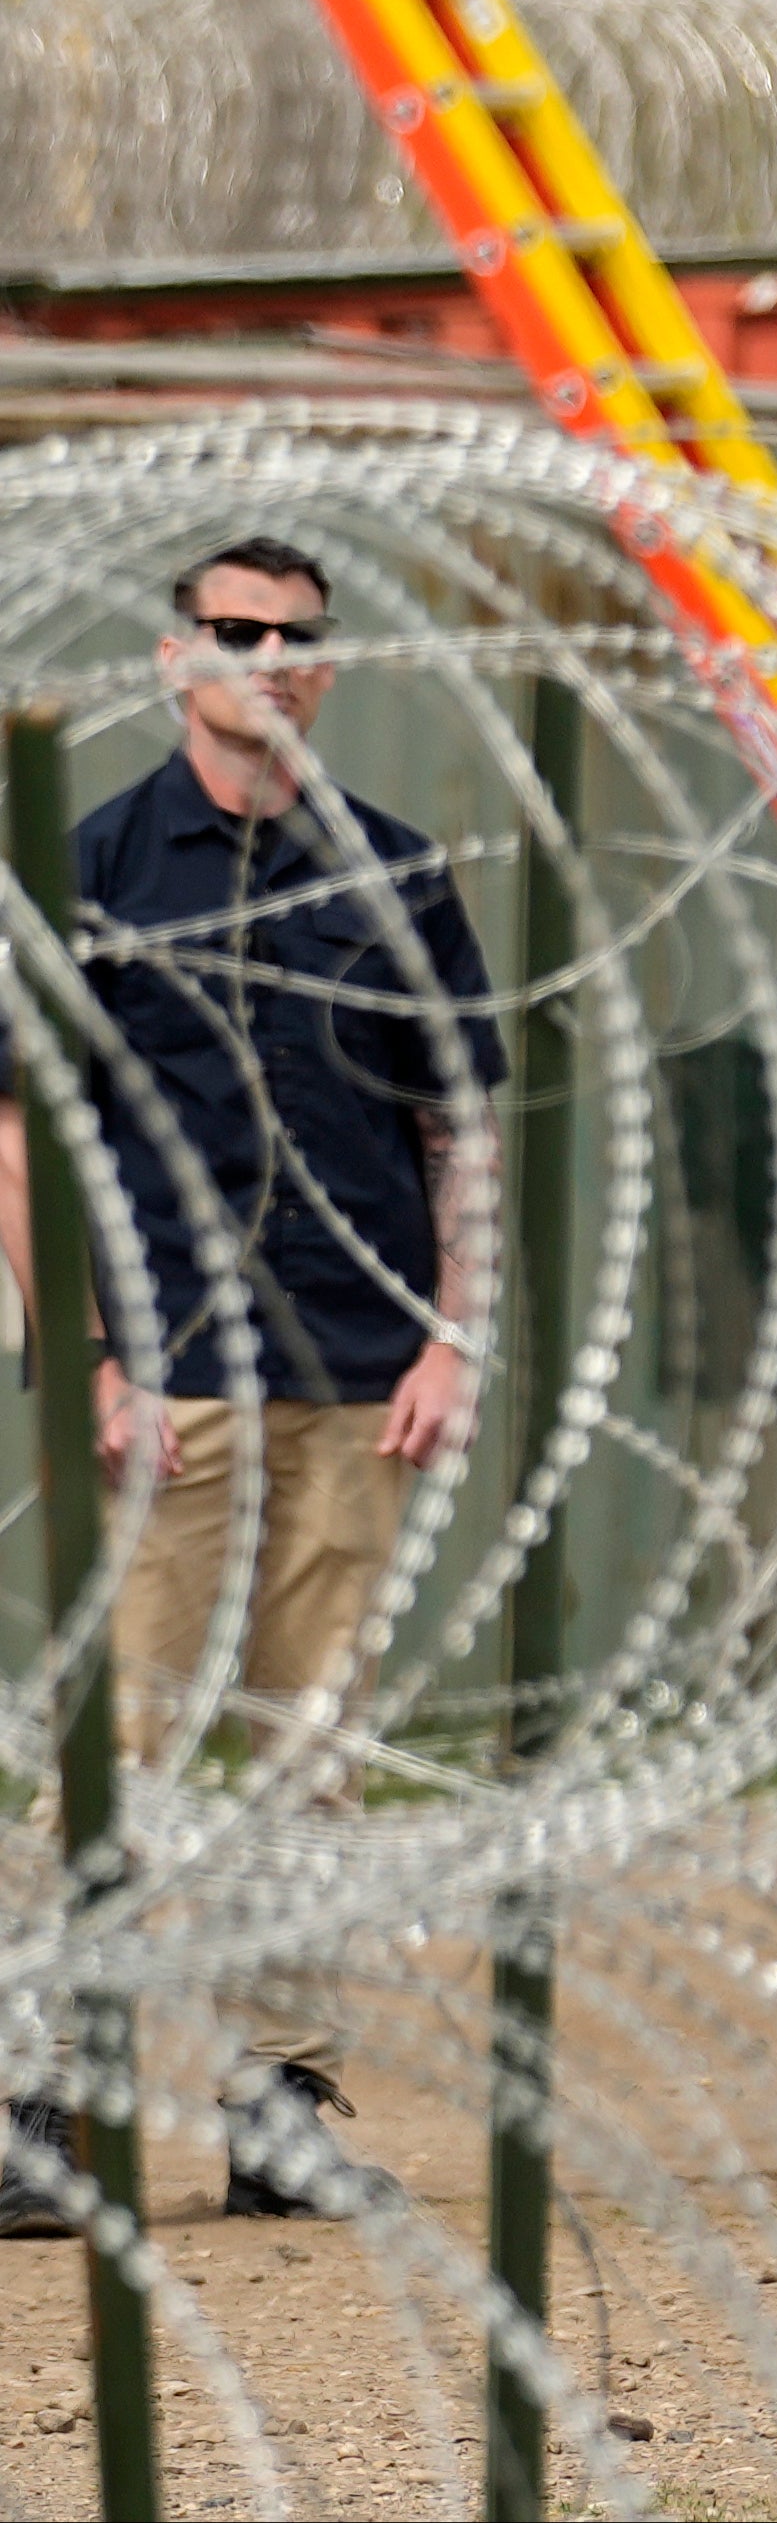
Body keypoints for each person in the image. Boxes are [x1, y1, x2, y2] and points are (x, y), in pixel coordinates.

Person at [0, 536, 505, 2236]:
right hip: (169, 1382)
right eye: (233, 631)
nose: (264, 657)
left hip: (354, 1380)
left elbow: (458, 1130)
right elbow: (19, 1134)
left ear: (327, 669)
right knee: (122, 1740)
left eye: (295, 636)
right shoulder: (87, 871)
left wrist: (454, 1334)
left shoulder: (400, 878)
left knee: (309, 1757)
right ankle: (48, 2104)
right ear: (171, 657)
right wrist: (80, 1349)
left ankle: (277, 2107)